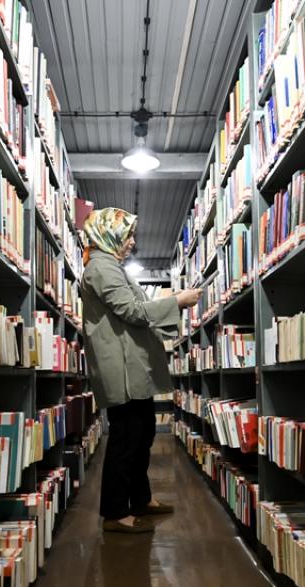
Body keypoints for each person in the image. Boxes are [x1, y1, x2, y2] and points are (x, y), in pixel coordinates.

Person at [80, 207, 202, 533]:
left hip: (131, 365)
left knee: (142, 433)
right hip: (121, 368)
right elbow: (133, 311)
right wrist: (177, 302)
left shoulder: (110, 266)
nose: (132, 242)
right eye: (128, 235)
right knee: (126, 439)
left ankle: (140, 499)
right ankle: (115, 513)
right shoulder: (101, 268)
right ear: (110, 234)